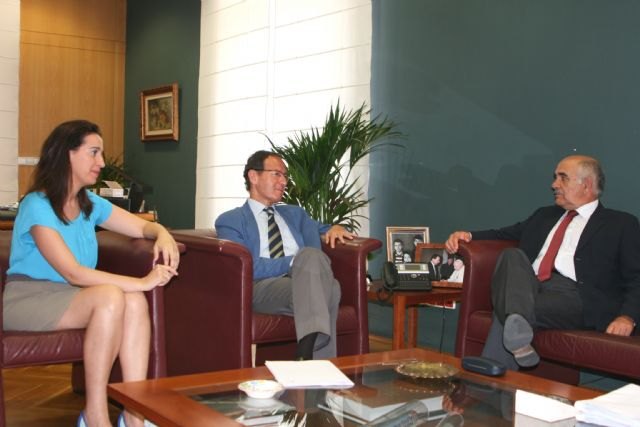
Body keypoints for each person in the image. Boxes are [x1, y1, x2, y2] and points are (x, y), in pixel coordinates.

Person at [4, 120, 180, 427]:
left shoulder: (90, 204)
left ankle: (134, 413)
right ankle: (95, 414)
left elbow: (142, 226)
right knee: (114, 296)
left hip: (72, 296)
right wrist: (143, 281)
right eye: (94, 152)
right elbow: (73, 272)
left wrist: (162, 234)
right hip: (28, 297)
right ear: (67, 154)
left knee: (135, 301)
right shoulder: (37, 205)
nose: (101, 162)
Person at [445, 155, 640, 370]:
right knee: (511, 255)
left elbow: (636, 276)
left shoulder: (620, 224)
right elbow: (503, 234)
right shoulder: (544, 215)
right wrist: (468, 236)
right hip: (528, 286)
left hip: (575, 297)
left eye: (563, 178)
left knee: (510, 309)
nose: (554, 184)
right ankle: (511, 349)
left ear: (586, 185)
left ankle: (491, 373)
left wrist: (627, 317)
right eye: (555, 177)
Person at [215, 150, 355, 360]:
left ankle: (308, 359)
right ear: (253, 176)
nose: (284, 182)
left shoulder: (295, 214)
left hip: (303, 283)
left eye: (285, 176)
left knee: (329, 284)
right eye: (277, 174)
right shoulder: (231, 220)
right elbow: (246, 266)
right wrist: (294, 262)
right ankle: (312, 356)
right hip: (261, 287)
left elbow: (324, 229)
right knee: (322, 276)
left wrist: (335, 228)